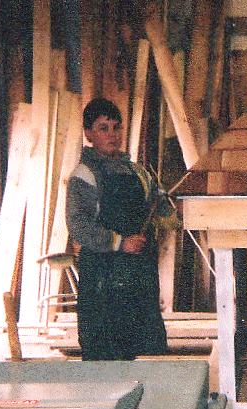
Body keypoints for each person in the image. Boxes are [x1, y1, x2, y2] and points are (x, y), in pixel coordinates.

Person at [66, 97, 167, 361]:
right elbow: (79, 225)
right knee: (106, 360)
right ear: (88, 133)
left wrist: (167, 208)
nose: (112, 135)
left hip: (140, 281)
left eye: (116, 127)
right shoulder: (84, 175)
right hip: (103, 284)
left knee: (145, 356)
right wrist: (120, 243)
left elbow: (160, 211)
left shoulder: (139, 173)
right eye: (103, 128)